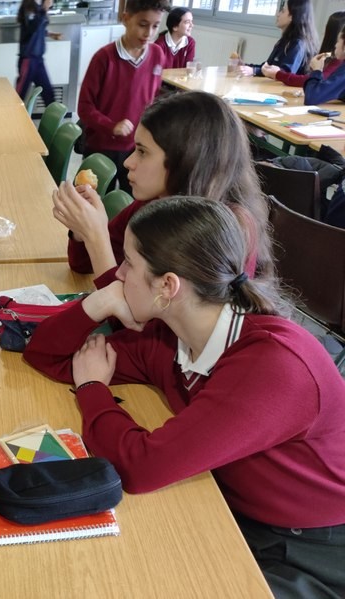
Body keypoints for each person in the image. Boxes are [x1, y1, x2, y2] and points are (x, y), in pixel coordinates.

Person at [23, 196, 345, 599]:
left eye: (129, 264)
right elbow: (48, 356)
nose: (118, 273)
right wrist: (97, 303)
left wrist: (92, 391)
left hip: (309, 546)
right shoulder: (169, 337)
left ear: (167, 286)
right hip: (231, 504)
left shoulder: (274, 366)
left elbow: (141, 468)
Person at [56, 91, 271, 288]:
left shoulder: (224, 232)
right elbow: (83, 265)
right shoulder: (153, 202)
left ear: (185, 160)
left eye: (142, 152)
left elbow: (131, 313)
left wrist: (96, 237)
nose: (128, 162)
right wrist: (82, 230)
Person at [77, 0, 169, 194]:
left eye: (155, 26)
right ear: (126, 19)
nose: (149, 33)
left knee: (132, 201)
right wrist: (111, 125)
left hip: (138, 148)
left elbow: (152, 97)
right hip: (102, 147)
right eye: (142, 24)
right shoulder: (104, 58)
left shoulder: (157, 54)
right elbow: (84, 108)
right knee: (96, 200)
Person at [263, 12, 345, 86]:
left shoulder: (339, 61)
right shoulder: (283, 41)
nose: (278, 14)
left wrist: (278, 74)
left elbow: (310, 80)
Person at [239, 0, 317, 77]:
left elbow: (283, 74)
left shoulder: (298, 44)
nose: (277, 14)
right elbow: (267, 67)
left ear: (292, 16)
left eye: (282, 11)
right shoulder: (283, 41)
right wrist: (246, 66)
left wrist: (254, 71)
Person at [15, 0, 61, 107]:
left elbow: (37, 28)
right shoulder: (29, 7)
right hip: (28, 60)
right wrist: (44, 9)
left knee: (49, 94)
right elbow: (31, 28)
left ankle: (52, 117)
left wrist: (49, 34)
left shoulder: (37, 7)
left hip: (38, 60)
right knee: (19, 97)